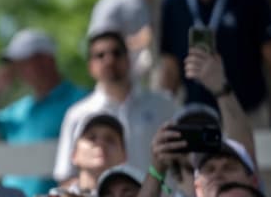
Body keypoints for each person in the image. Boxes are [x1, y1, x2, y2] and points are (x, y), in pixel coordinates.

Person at [54, 28, 178, 180]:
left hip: (161, 196)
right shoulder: (77, 115)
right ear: (90, 67)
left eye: (116, 53)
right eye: (100, 55)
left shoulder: (164, 105)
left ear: (128, 60)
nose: (109, 60)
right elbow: (65, 176)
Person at [0, 29, 87, 143]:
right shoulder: (19, 110)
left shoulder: (82, 100)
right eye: (17, 63)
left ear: (47, 60)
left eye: (25, 62)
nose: (19, 69)